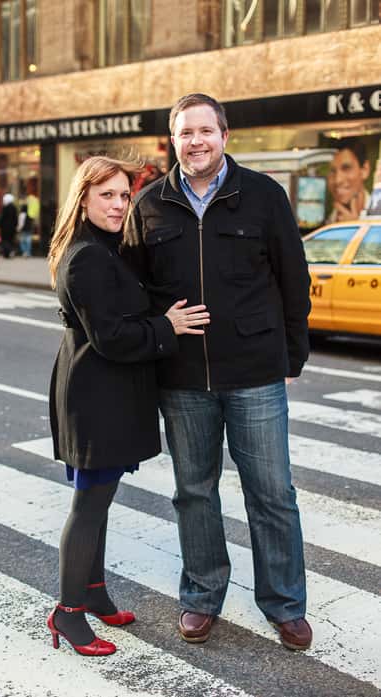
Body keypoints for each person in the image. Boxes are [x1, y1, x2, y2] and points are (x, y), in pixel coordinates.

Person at [126, 93, 312, 649]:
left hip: (254, 372)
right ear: (173, 140)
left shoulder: (262, 196)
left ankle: (284, 604)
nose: (196, 142)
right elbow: (133, 289)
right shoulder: (150, 204)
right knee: (194, 492)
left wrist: (292, 355)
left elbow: (293, 278)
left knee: (272, 492)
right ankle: (202, 596)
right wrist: (159, 328)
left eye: (205, 131)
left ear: (224, 135)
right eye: (185, 133)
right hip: (182, 379)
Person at [46, 156, 210, 657]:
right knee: (89, 504)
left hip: (101, 391)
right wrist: (169, 328)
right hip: (98, 397)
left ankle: (93, 594)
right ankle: (68, 612)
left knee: (98, 500)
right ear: (83, 200)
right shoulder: (87, 257)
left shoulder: (104, 247)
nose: (119, 205)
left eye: (124, 195)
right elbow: (112, 337)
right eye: (107, 196)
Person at [327, 138, 371, 222]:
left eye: (346, 168)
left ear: (365, 170)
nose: (337, 180)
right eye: (332, 171)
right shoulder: (324, 222)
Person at [0, 193, 19, 258]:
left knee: (5, 240)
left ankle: (7, 253)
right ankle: (9, 252)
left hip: (5, 228)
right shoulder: (14, 208)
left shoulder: (5, 208)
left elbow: (2, 218)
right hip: (12, 228)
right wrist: (15, 226)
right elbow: (15, 218)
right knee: (10, 240)